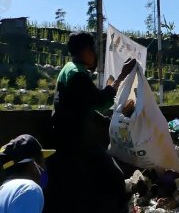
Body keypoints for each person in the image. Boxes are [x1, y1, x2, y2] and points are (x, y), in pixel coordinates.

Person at [45, 32, 136, 213]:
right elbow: (99, 101)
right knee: (115, 177)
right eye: (93, 49)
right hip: (76, 145)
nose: (95, 55)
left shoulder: (69, 70)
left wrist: (105, 121)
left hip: (68, 142)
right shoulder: (78, 74)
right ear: (86, 50)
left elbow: (82, 106)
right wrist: (122, 76)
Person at [0, 134, 56, 213]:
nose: (44, 168)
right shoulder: (29, 188)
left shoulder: (3, 190)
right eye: (43, 162)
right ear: (33, 164)